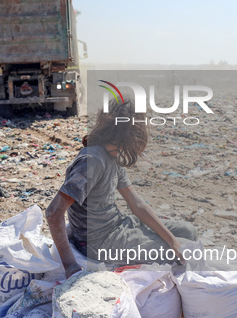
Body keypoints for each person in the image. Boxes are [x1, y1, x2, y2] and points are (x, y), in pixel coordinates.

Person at [45, 100, 197, 278]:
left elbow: (137, 204)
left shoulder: (112, 155)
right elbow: (53, 212)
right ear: (129, 132)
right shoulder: (92, 161)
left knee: (188, 232)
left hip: (118, 224)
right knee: (187, 252)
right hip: (99, 242)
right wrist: (70, 266)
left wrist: (173, 241)